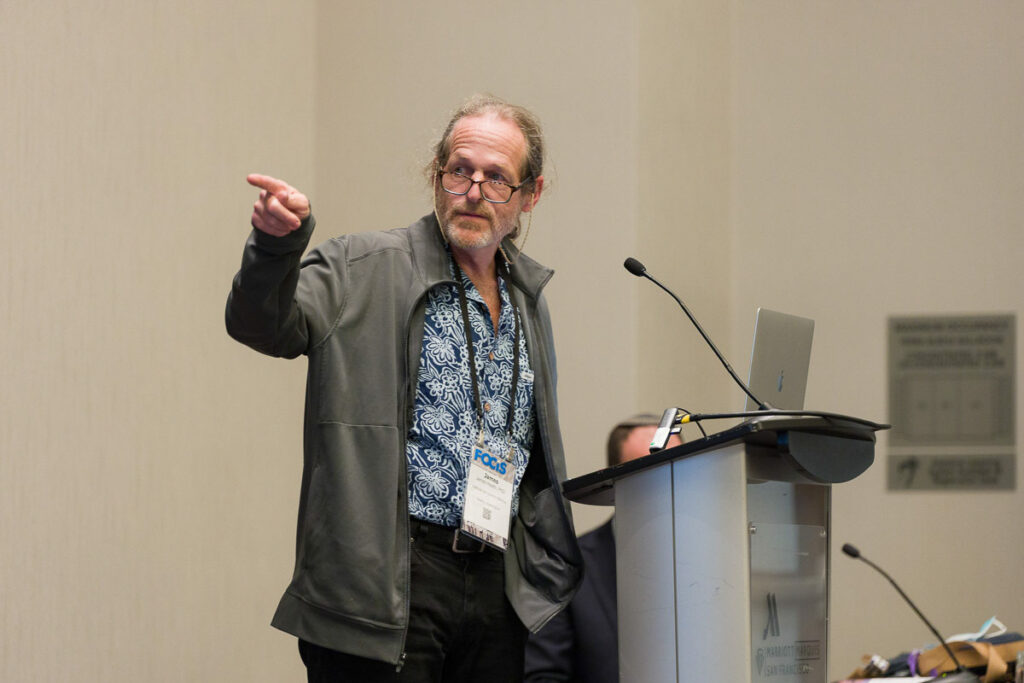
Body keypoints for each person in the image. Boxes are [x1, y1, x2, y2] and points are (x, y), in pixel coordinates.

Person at [225, 94, 582, 682]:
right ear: (436, 175)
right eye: (460, 170)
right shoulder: (359, 265)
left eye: (497, 179)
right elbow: (260, 324)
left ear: (529, 196)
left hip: (496, 579)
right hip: (389, 584)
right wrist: (275, 248)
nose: (473, 190)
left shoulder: (526, 298)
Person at [522, 415, 683, 683]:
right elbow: (543, 675)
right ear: (613, 485)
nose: (666, 485)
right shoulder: (566, 570)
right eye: (648, 472)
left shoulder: (716, 562)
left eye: (677, 468)